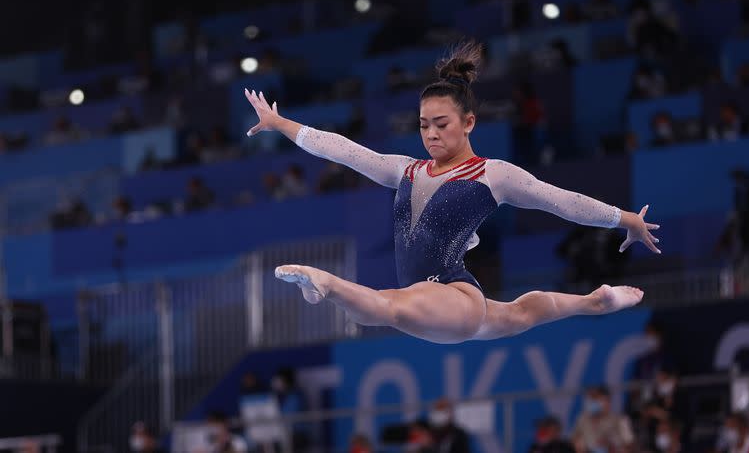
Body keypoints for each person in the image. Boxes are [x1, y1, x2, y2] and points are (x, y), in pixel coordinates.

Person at [244, 41, 660, 345]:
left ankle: (326, 284)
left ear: (470, 123)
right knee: (521, 313)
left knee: (391, 308)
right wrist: (283, 125)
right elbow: (346, 150)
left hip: (455, 295)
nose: (431, 133)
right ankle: (594, 303)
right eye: (424, 124)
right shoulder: (405, 170)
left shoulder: (492, 175)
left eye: (441, 124)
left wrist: (627, 220)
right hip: (439, 305)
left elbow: (562, 200)